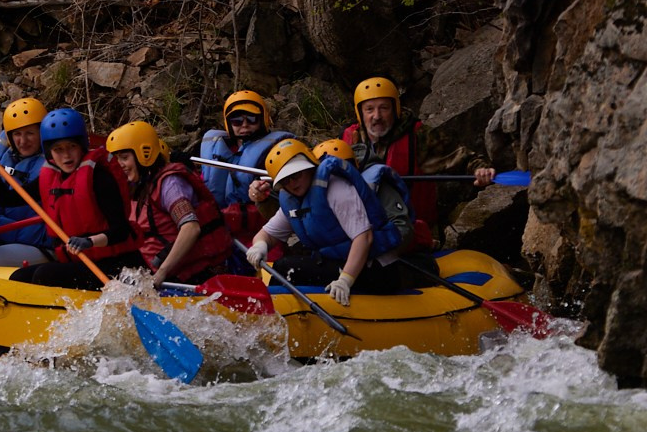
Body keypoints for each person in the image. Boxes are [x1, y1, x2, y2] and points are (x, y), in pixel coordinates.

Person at [243, 138, 438, 305]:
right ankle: (279, 312)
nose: (293, 183)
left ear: (310, 167)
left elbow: (364, 237)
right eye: (286, 180)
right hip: (339, 261)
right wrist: (260, 245)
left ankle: (279, 314)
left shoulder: (336, 189)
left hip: (377, 267)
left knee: (288, 268)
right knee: (284, 266)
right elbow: (268, 233)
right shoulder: (295, 198)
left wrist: (345, 279)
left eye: (297, 175)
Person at [343, 77, 494, 246]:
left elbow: (460, 157)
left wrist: (480, 170)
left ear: (395, 109)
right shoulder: (349, 140)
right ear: (360, 113)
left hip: (417, 232)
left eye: (384, 108)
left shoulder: (418, 136)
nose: (376, 116)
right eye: (369, 109)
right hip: (366, 232)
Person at [7, 107, 144, 290]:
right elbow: (7, 199)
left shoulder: (98, 176)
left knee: (44, 276)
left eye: (72, 146)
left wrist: (89, 242)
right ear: (49, 152)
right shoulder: (51, 176)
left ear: (81, 146)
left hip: (118, 265)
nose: (66, 155)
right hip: (84, 261)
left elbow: (121, 231)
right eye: (58, 149)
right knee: (19, 277)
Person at [107, 120, 233, 286]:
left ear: (144, 154)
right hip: (151, 266)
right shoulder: (140, 187)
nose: (120, 165)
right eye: (117, 159)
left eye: (124, 158)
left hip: (188, 276)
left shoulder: (171, 184)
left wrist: (162, 273)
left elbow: (191, 228)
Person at [198, 89, 292, 246]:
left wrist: (263, 193)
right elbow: (204, 183)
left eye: (252, 119)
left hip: (257, 224)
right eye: (237, 121)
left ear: (263, 119)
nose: (245, 125)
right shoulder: (218, 149)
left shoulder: (276, 150)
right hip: (222, 223)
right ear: (229, 123)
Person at [0, 96, 52, 267]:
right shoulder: (1, 156)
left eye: (30, 133)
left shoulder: (52, 168)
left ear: (42, 133)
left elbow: (31, 230)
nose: (23, 141)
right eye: (17, 134)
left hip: (37, 244)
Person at [312, 137, 418, 254]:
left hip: (382, 255)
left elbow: (403, 229)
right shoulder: (319, 194)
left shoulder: (375, 183)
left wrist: (365, 251)